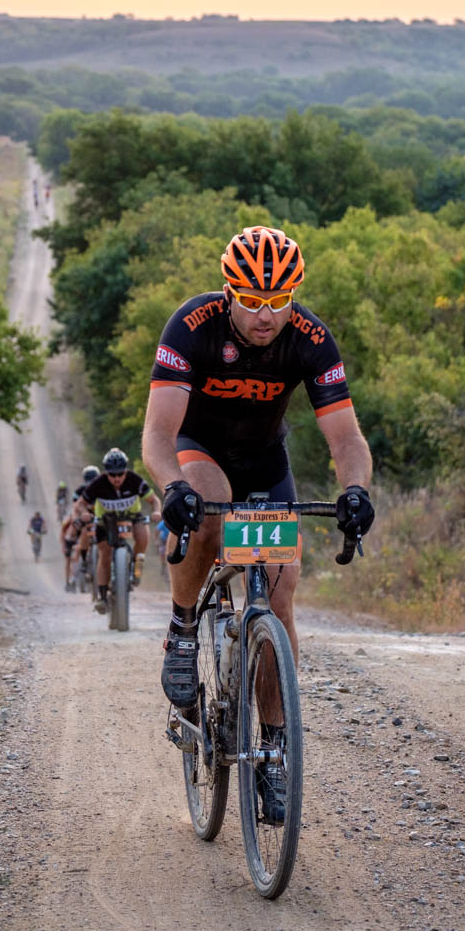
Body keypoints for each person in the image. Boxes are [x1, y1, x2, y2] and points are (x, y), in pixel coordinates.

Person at [141, 225, 374, 720]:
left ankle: (274, 742)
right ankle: (183, 629)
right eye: (251, 300)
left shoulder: (310, 338)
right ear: (229, 293)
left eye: (279, 300)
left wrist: (356, 489)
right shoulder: (191, 326)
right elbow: (158, 433)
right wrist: (173, 486)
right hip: (198, 448)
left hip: (264, 460)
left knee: (279, 594)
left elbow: (346, 438)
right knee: (206, 506)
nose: (266, 315)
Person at [81, 448, 161, 613]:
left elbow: (154, 500)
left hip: (131, 516)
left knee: (143, 536)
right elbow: (80, 504)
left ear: (126, 471)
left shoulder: (134, 480)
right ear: (106, 472)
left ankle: (136, 566)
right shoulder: (98, 483)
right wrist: (83, 513)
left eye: (120, 474)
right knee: (105, 555)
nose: (116, 478)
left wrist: (156, 512)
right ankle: (102, 597)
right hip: (105, 520)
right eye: (112, 474)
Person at [60, 466, 99, 592]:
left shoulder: (102, 488)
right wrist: (77, 520)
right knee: (68, 555)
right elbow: (75, 508)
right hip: (82, 518)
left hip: (96, 519)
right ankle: (68, 580)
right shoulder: (80, 490)